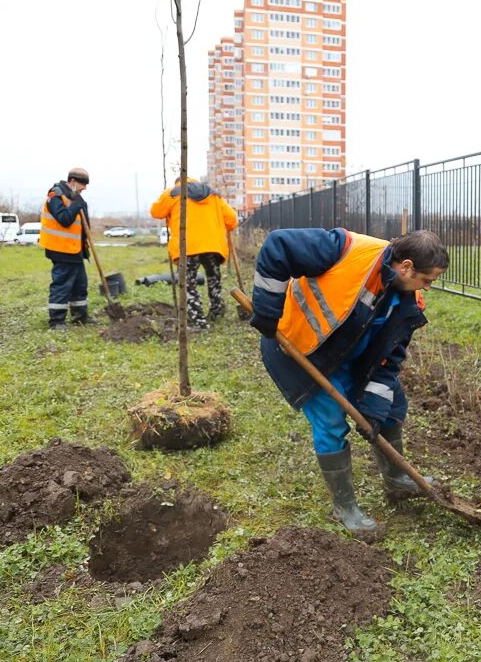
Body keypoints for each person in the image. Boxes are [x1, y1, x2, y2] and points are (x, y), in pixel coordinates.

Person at [249, 228, 449, 540]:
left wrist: (373, 411)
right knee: (330, 421)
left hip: (352, 359)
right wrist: (267, 309)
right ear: (406, 266)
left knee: (393, 404)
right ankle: (345, 507)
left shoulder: (408, 303)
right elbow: (278, 245)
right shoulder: (344, 249)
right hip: (302, 350)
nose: (428, 288)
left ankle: (396, 478)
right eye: (427, 280)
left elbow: (388, 361)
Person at [149, 177, 238, 329]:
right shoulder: (213, 194)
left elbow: (156, 212)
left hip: (187, 246)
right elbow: (232, 219)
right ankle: (216, 312)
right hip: (213, 245)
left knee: (188, 284)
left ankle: (198, 320)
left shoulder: (173, 193)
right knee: (214, 279)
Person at [41, 167, 92, 330]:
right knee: (62, 285)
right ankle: (56, 321)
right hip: (61, 250)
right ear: (72, 181)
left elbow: (82, 226)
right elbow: (64, 219)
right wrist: (77, 205)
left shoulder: (74, 198)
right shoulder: (55, 195)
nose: (85, 188)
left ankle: (80, 316)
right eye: (83, 184)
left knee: (80, 284)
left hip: (75, 250)